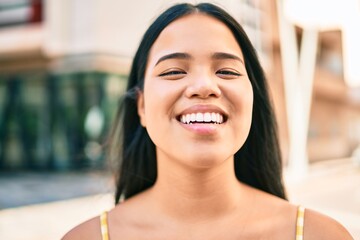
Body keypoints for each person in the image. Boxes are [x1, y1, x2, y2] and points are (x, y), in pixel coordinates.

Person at [63, 2, 353, 239]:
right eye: (173, 71)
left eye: (226, 71)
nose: (204, 86)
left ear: (253, 98)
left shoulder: (319, 235)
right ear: (141, 106)